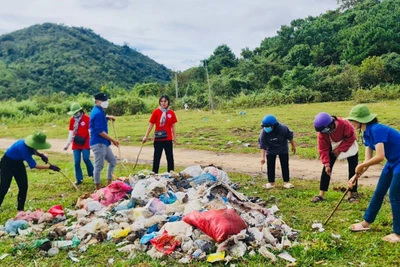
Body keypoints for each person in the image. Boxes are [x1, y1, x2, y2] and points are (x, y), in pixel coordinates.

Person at [346, 104, 400, 243]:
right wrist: (354, 177)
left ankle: (398, 233)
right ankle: (366, 223)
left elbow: (380, 156)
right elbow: (367, 160)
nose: (351, 122)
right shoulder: (366, 134)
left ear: (362, 120)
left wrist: (362, 165)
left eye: (353, 119)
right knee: (379, 192)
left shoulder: (377, 130)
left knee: (394, 195)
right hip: (393, 162)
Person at [0, 131, 60, 211]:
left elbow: (33, 149)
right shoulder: (22, 148)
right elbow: (34, 165)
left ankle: (20, 210)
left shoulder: (29, 144)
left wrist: (40, 155)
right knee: (4, 187)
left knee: (23, 186)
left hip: (18, 163)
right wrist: (50, 167)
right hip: (7, 163)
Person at [311, 112, 358, 203]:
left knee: (353, 169)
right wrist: (326, 163)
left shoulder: (344, 124)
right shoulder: (322, 134)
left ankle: (351, 194)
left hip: (348, 145)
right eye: (323, 131)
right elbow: (323, 149)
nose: (325, 133)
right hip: (332, 147)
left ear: (331, 123)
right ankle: (321, 194)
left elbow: (351, 137)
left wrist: (340, 149)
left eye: (326, 130)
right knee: (326, 169)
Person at [258, 114, 296, 189]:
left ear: (274, 125)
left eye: (268, 126)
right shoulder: (264, 132)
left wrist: (293, 146)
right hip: (271, 149)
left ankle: (286, 182)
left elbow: (290, 137)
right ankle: (271, 183)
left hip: (283, 148)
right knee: (270, 166)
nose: (266, 128)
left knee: (285, 165)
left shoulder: (283, 128)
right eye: (265, 126)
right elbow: (262, 145)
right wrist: (262, 157)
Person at [90, 92, 119, 190]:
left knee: (113, 161)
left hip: (104, 143)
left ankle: (109, 184)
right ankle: (98, 189)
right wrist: (113, 140)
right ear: (97, 101)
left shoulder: (99, 111)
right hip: (98, 143)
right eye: (103, 100)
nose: (105, 102)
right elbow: (100, 131)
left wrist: (107, 117)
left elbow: (99, 120)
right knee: (98, 166)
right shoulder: (97, 113)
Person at [142, 95, 178, 174]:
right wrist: (146, 136)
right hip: (158, 139)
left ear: (168, 102)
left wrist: (175, 138)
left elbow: (173, 126)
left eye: (165, 101)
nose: (163, 103)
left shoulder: (171, 113)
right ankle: (154, 174)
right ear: (159, 102)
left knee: (170, 158)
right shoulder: (156, 112)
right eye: (161, 101)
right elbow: (151, 124)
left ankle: (171, 174)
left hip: (168, 139)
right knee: (156, 158)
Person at [63, 103, 94, 185]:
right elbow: (71, 133)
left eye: (76, 112)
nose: (75, 114)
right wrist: (67, 144)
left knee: (86, 158)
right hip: (76, 142)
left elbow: (90, 131)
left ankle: (93, 174)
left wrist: (91, 142)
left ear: (80, 111)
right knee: (76, 161)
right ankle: (79, 179)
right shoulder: (72, 120)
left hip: (86, 142)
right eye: (74, 113)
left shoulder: (87, 118)